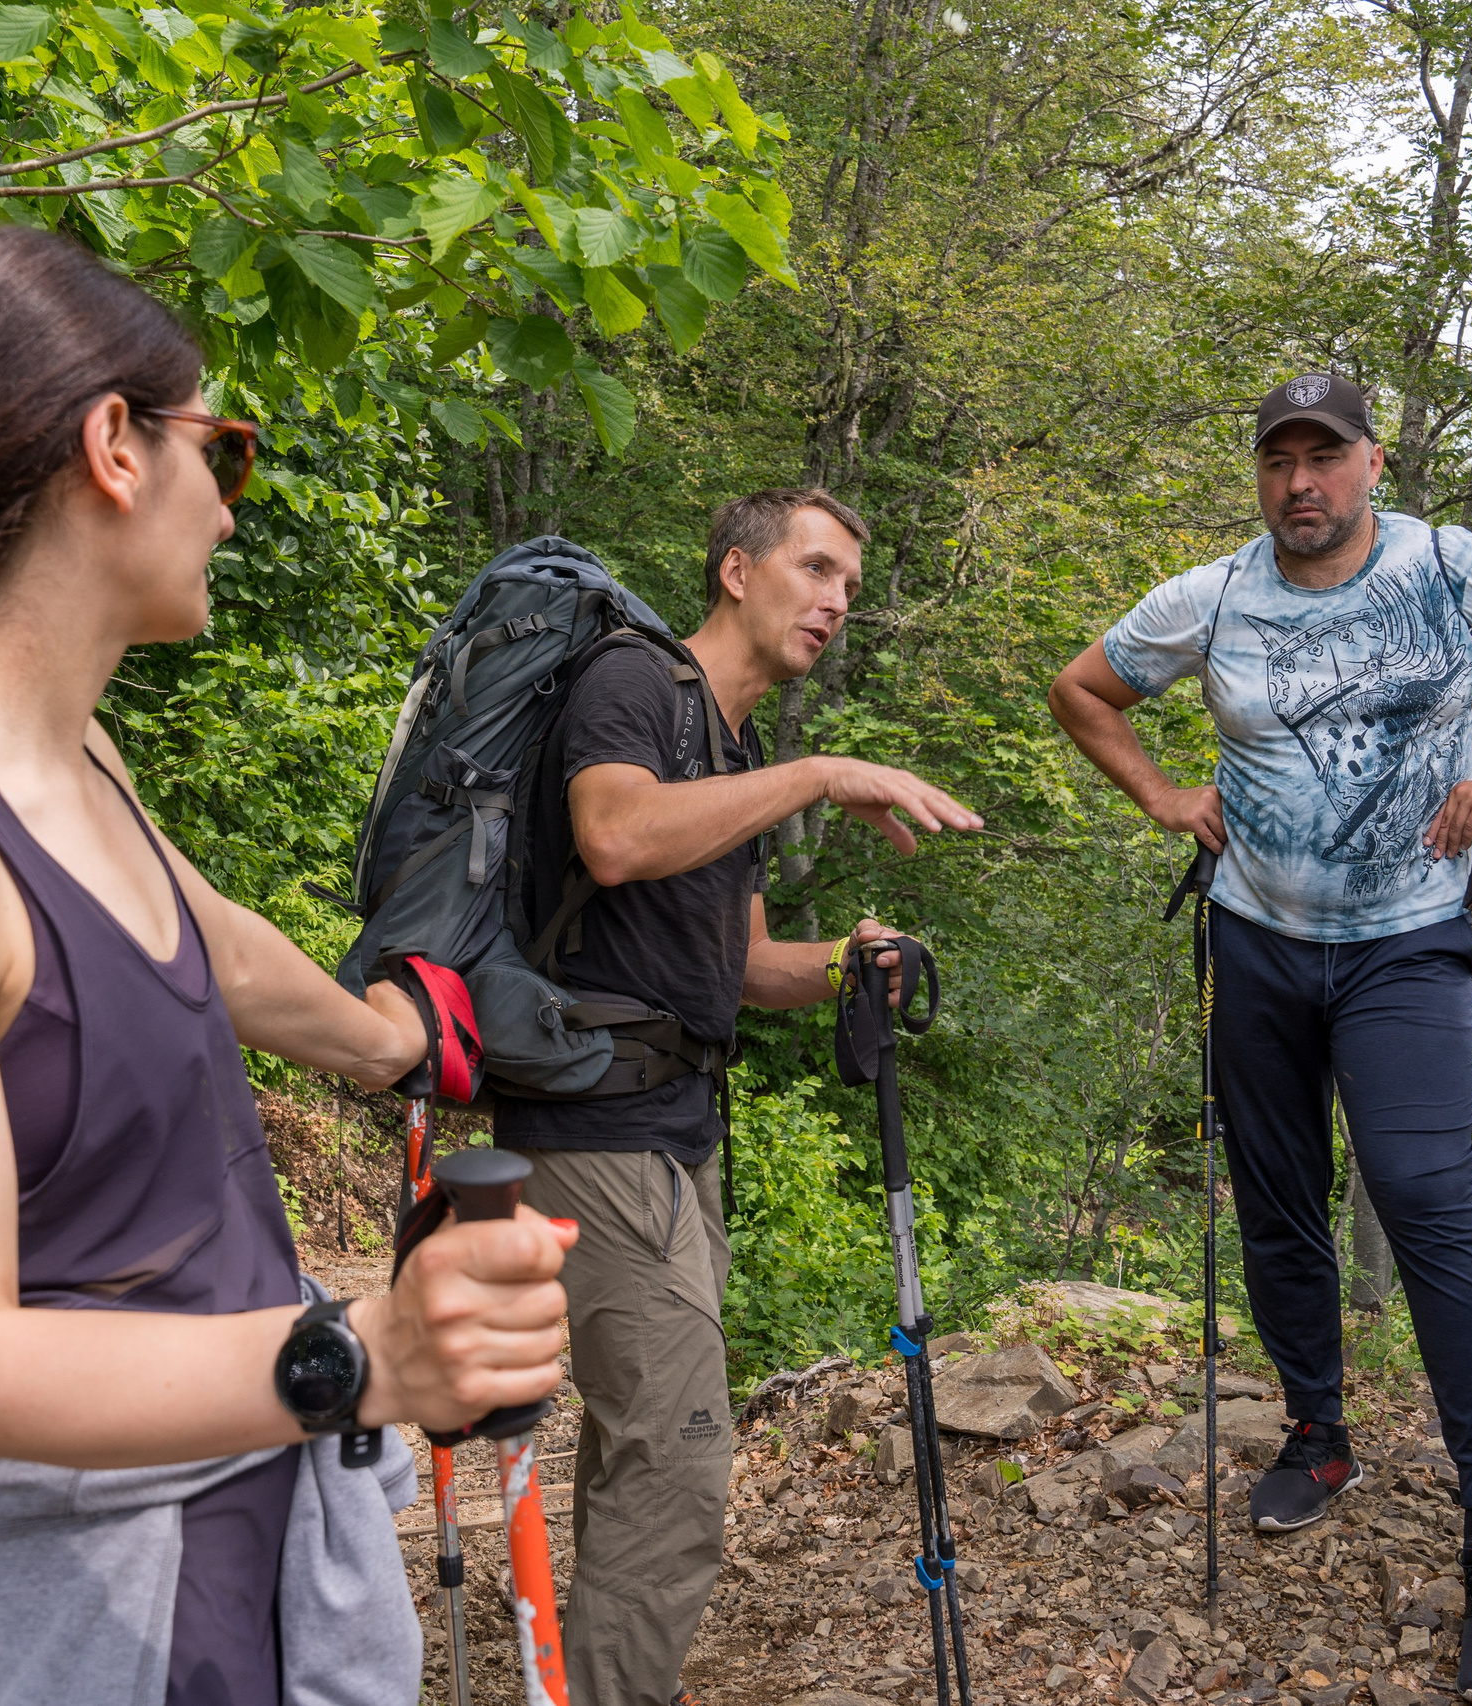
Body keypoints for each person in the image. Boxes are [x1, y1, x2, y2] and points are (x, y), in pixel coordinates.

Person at [0, 226, 575, 1706]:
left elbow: (207, 943)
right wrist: (355, 1357)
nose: (230, 513)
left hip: (236, 1560)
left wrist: (390, 1038)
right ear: (115, 445)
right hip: (60, 1621)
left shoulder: (70, 756)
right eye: (221, 454)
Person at [1047, 373, 1472, 1704]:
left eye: (1325, 457)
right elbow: (1084, 688)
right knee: (1278, 1203)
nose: (1301, 483)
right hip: (1255, 938)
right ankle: (1318, 1432)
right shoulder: (1211, 597)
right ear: (1260, 475)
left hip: (1408, 940)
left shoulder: (1456, 570)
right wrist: (1162, 792)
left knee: (1428, 1196)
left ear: (1373, 462)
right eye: (1280, 460)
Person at [490, 487, 983, 1706]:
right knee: (680, 1460)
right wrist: (821, 773)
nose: (834, 601)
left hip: (675, 1131)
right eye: (815, 570)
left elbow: (744, 964)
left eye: (850, 588)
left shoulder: (736, 749)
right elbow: (611, 833)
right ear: (734, 570)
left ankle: (597, 1679)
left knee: (637, 1447)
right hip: (595, 1120)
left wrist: (847, 965)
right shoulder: (633, 682)